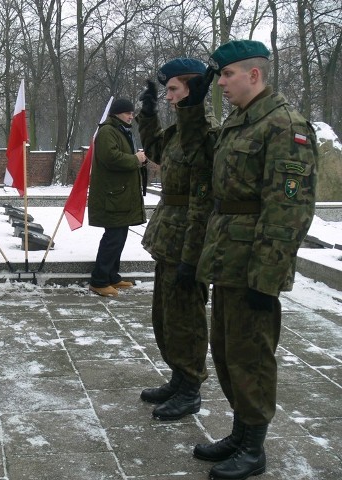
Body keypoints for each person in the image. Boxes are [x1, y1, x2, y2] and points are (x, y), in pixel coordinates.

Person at [179, 40, 318, 480]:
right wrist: (191, 109)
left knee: (251, 354)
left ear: (253, 75)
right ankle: (241, 433)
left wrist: (267, 278)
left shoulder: (284, 125)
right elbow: (199, 160)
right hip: (226, 256)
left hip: (254, 262)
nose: (220, 83)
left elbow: (289, 209)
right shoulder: (240, 121)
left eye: (226, 75)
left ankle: (254, 447)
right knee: (225, 349)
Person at [137, 59, 216, 420]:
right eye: (166, 90)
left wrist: (193, 254)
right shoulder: (177, 134)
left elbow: (203, 195)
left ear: (193, 89)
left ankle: (191, 387)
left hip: (188, 239)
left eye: (174, 90)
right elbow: (155, 150)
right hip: (168, 236)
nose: (169, 96)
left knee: (187, 319)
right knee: (165, 316)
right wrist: (148, 114)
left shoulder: (205, 136)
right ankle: (177, 376)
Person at [87, 98, 147, 297]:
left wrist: (138, 159)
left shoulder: (120, 131)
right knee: (113, 238)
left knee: (119, 236)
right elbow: (110, 158)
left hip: (119, 196)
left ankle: (112, 276)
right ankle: (99, 280)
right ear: (116, 113)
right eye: (128, 113)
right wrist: (135, 159)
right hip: (112, 196)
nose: (132, 116)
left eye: (132, 113)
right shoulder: (108, 131)